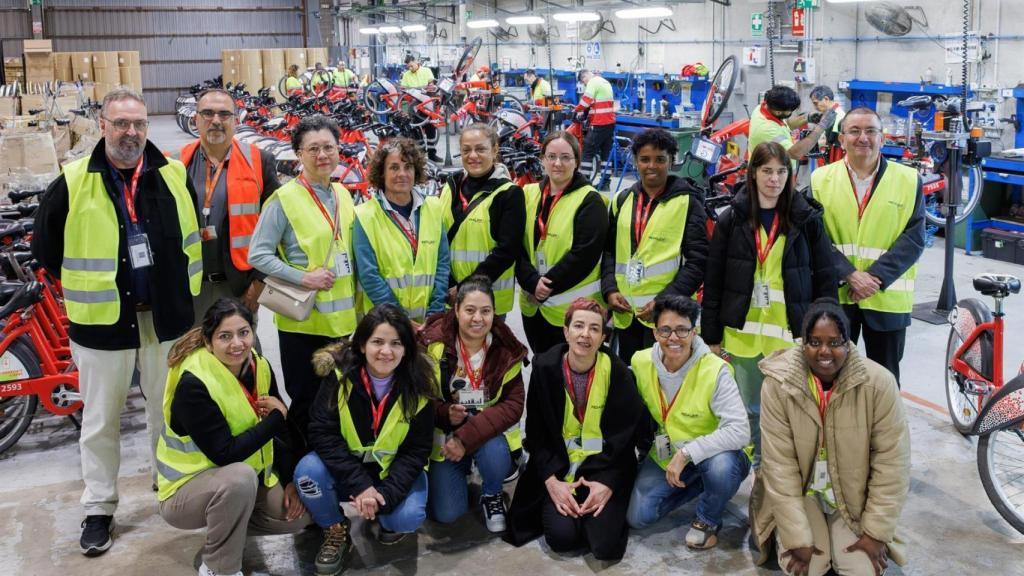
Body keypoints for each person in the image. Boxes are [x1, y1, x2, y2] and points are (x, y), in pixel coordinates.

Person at [31, 87, 202, 556]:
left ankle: (168, 484)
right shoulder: (71, 181)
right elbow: (44, 251)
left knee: (165, 412)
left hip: (164, 320)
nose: (131, 133)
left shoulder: (172, 174)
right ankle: (100, 507)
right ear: (103, 125)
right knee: (101, 420)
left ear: (149, 127)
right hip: (102, 323)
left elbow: (190, 238)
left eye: (139, 124)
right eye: (121, 123)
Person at [752, 298, 911, 576]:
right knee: (808, 567)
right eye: (814, 342)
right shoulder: (777, 385)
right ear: (803, 344)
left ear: (848, 343)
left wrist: (875, 532)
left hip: (853, 496)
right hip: (803, 493)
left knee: (861, 570)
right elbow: (780, 467)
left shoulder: (879, 384)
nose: (824, 351)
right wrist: (796, 538)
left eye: (835, 342)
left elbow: (892, 464)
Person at [701, 141, 837, 466]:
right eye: (766, 171)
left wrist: (825, 336)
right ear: (753, 173)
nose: (773, 179)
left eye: (780, 171)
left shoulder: (806, 221)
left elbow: (825, 278)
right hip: (742, 339)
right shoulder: (731, 220)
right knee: (748, 410)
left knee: (791, 411)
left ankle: (782, 476)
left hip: (789, 339)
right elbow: (715, 278)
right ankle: (757, 474)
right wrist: (712, 337)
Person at [157, 299, 310, 576]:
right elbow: (225, 453)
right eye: (224, 336)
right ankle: (219, 567)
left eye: (243, 333)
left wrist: (288, 480)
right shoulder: (194, 382)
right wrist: (277, 418)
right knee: (239, 479)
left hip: (239, 481)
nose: (237, 343)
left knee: (300, 517)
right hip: (186, 489)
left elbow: (282, 433)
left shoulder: (259, 365)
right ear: (208, 341)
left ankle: (229, 524)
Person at [294, 304, 436, 575]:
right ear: (361, 344)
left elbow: (416, 451)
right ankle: (335, 528)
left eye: (396, 343)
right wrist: (360, 486)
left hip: (391, 471)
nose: (386, 351)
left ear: (407, 348)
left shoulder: (420, 384)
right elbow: (322, 432)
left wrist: (384, 494)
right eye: (377, 342)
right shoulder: (338, 377)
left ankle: (384, 516)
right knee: (307, 473)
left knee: (407, 518)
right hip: (348, 467)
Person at [506, 298, 648, 562]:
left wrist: (607, 484)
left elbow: (625, 440)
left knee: (604, 547)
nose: (585, 334)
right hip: (559, 467)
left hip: (603, 467)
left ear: (604, 336)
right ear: (565, 331)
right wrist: (551, 483)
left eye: (594, 328)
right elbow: (536, 434)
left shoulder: (618, 373)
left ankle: (590, 513)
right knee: (562, 539)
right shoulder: (544, 368)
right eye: (579, 326)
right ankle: (568, 511)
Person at [248, 115, 358, 441]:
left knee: (339, 404)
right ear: (298, 154)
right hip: (304, 326)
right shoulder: (284, 200)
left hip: (343, 324)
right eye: (313, 149)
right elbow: (258, 255)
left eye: (328, 147)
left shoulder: (343, 194)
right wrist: (303, 277)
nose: (322, 155)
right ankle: (303, 476)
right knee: (309, 405)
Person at [625, 294, 751, 550]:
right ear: (655, 332)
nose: (673, 338)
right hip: (666, 451)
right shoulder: (640, 362)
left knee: (721, 471)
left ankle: (707, 518)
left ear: (695, 332)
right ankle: (704, 486)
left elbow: (740, 431)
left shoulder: (715, 369)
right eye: (666, 330)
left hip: (716, 454)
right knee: (638, 517)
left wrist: (686, 454)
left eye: (682, 330)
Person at [810, 107, 925, 384]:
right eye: (855, 131)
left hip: (886, 300)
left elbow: (915, 237)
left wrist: (874, 278)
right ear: (841, 139)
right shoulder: (820, 180)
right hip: (837, 296)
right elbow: (814, 237)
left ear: (882, 139)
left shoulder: (908, 180)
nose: (863, 138)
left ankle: (880, 429)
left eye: (871, 131)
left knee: (883, 381)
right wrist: (849, 274)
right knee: (829, 377)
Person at [420, 277, 527, 532]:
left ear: (494, 313)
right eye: (470, 310)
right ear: (456, 310)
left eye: (485, 311)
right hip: (445, 438)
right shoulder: (432, 346)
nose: (478, 318)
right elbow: (420, 400)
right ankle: (462, 467)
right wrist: (445, 414)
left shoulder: (506, 349)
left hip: (487, 435)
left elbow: (513, 405)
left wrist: (465, 438)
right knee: (447, 513)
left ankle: (492, 493)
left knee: (493, 453)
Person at [601, 128, 709, 364]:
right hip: (626, 314)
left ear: (671, 161)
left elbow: (698, 261)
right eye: (645, 159)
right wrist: (610, 289)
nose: (652, 166)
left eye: (660, 159)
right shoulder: (621, 200)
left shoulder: (688, 203)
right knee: (632, 380)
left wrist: (663, 300)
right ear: (635, 161)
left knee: (666, 385)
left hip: (668, 317)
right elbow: (609, 251)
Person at [180, 88, 280, 321]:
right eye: (207, 113)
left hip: (239, 287)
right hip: (191, 287)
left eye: (224, 114)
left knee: (240, 351)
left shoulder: (259, 161)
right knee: (193, 353)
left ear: (236, 120)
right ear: (196, 119)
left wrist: (260, 281)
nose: (216, 120)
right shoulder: (176, 162)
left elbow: (276, 227)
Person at [517, 131, 607, 355]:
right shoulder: (528, 194)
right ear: (543, 159)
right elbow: (515, 244)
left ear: (576, 161)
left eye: (566, 157)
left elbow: (584, 254)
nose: (558, 163)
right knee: (542, 365)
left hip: (572, 312)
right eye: (551, 156)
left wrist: (544, 286)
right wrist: (530, 281)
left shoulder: (590, 199)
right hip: (532, 306)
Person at [354, 138, 450, 328]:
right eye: (394, 168)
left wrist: (435, 313)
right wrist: (401, 320)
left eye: (408, 167)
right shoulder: (364, 215)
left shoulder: (433, 207)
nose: (402, 174)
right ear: (381, 173)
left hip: (427, 322)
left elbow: (442, 264)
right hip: (384, 323)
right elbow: (370, 276)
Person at [439, 123, 525, 317]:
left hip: (485, 302)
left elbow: (506, 251)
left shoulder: (509, 194)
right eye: (466, 150)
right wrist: (449, 286)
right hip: (447, 297)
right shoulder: (450, 186)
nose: (473, 156)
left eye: (480, 149)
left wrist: (464, 288)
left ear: (495, 150)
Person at [748, 85, 836, 166]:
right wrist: (821, 127)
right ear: (778, 112)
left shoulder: (764, 107)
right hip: (769, 175)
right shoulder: (766, 129)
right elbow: (795, 153)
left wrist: (808, 118)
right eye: (790, 111)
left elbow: (787, 124)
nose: (791, 113)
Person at [574, 69, 616, 187]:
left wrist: (575, 110)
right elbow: (596, 104)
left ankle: (583, 183)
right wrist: (586, 113)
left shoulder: (592, 82)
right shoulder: (605, 82)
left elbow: (585, 102)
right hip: (610, 124)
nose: (585, 84)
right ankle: (605, 183)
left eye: (584, 81)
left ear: (585, 76)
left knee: (587, 151)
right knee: (605, 154)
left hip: (599, 124)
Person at [400, 55, 440, 162]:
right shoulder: (406, 75)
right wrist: (421, 88)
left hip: (427, 104)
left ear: (416, 62)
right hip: (414, 107)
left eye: (411, 66)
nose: (410, 68)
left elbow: (431, 86)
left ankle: (432, 155)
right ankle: (421, 157)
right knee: (417, 132)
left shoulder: (427, 71)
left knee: (431, 129)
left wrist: (417, 89)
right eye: (408, 67)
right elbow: (403, 91)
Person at [809, 85, 846, 164]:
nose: (815, 107)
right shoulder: (829, 114)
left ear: (826, 99)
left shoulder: (837, 115)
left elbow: (835, 144)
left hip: (834, 159)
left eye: (816, 103)